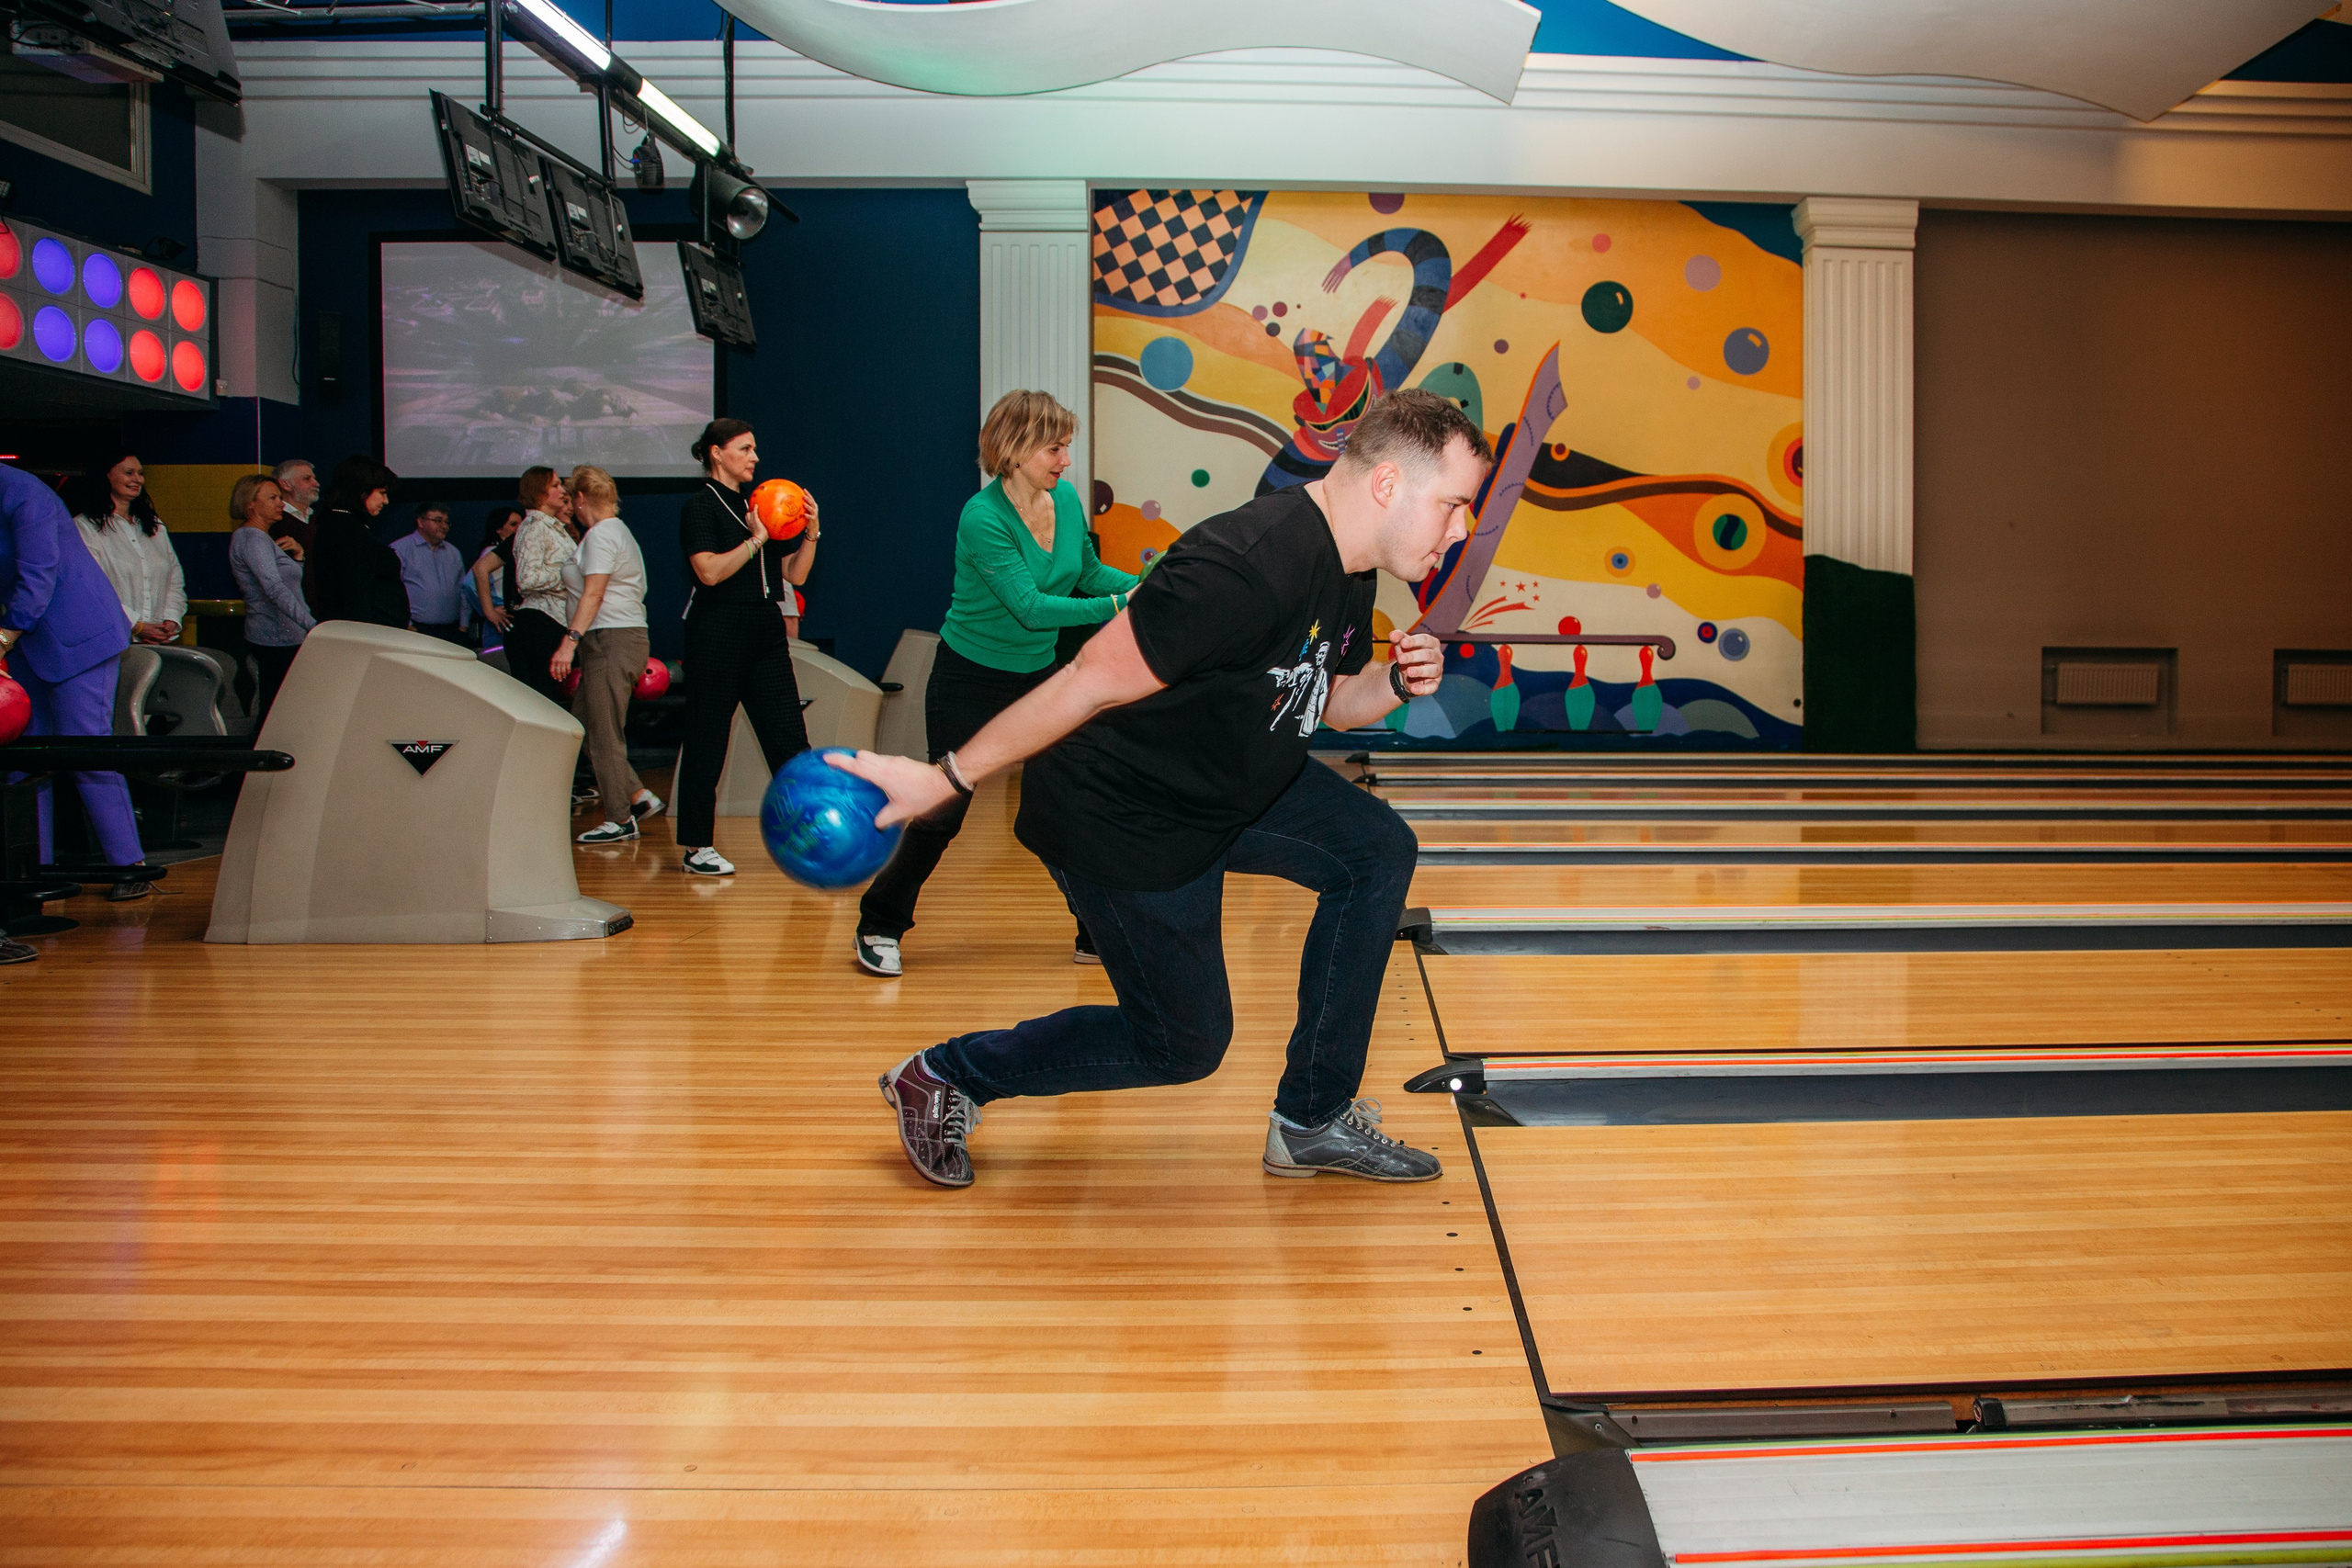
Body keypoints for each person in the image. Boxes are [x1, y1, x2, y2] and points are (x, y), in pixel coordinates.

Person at [834, 389, 1485, 1190]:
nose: (1462, 529)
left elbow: (1323, 698)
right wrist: (944, 775)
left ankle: (1311, 1116)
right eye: (1454, 504)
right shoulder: (1245, 564)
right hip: (1125, 812)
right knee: (1182, 1043)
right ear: (1388, 484)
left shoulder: (1351, 567)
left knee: (1376, 850)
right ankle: (947, 1074)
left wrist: (1391, 681)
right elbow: (1084, 682)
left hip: (1229, 784)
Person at [853, 390, 1136, 979]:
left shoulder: (1065, 499)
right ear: (1014, 448)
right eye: (1054, 447)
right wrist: (1123, 602)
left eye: (1065, 446)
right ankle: (879, 922)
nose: (1065, 459)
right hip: (970, 678)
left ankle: (1093, 931)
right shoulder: (981, 517)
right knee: (943, 807)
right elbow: (1031, 608)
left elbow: (1084, 573)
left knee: (1069, 802)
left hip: (1037, 675)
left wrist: (1147, 581)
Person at [672, 418, 820, 877]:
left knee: (790, 740)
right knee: (707, 741)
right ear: (717, 453)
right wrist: (756, 540)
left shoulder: (757, 505)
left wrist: (812, 531)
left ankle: (807, 837)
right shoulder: (701, 508)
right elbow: (710, 572)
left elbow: (794, 576)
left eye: (755, 449)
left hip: (764, 632)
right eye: (745, 448)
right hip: (716, 633)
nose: (755, 457)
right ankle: (698, 847)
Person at [0, 464, 155, 902]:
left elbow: (39, 572)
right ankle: (33, 871)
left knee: (86, 747)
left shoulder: (23, 493)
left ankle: (131, 867)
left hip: (76, 634)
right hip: (27, 639)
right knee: (25, 757)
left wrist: (4, 636)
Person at [551, 466, 662, 842]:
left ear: (581, 498)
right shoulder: (615, 532)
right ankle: (637, 795)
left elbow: (593, 593)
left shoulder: (601, 534)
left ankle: (620, 819)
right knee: (584, 724)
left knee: (603, 733)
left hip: (611, 639)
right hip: (610, 640)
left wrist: (569, 642)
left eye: (571, 498)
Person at [69, 453, 187, 647]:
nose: (137, 479)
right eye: (129, 473)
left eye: (140, 473)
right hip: (107, 643)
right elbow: (91, 587)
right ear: (106, 476)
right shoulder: (85, 527)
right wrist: (136, 626)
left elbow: (174, 579)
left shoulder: (155, 526)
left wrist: (170, 621)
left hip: (156, 643)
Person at [225, 472, 314, 724]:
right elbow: (274, 588)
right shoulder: (252, 538)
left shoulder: (262, 538)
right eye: (273, 497)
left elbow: (287, 582)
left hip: (286, 635)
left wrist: (298, 557)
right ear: (250, 504)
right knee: (278, 714)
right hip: (276, 638)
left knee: (284, 710)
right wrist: (312, 625)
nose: (280, 503)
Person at [506, 468, 578, 711]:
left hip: (557, 620)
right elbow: (526, 578)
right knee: (546, 701)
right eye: (555, 485)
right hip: (541, 622)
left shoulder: (554, 527)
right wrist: (571, 577)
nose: (562, 489)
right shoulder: (534, 526)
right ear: (538, 491)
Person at [307, 456, 408, 628]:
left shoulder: (338, 524)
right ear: (361, 490)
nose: (386, 501)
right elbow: (355, 599)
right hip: (365, 639)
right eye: (382, 493)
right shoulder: (348, 532)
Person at [391, 502, 469, 645]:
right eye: (438, 521)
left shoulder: (453, 552)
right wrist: (405, 624)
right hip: (416, 630)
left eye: (446, 522)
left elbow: (463, 589)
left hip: (451, 632)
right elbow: (391, 590)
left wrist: (464, 625)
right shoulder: (401, 549)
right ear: (420, 522)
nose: (444, 526)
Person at [467, 505, 523, 664]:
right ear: (498, 529)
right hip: (500, 620)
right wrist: (489, 610)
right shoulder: (493, 551)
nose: (519, 528)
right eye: (513, 524)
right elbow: (468, 584)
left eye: (521, 523)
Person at [269, 457, 322, 603]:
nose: (316, 484)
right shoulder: (276, 523)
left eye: (314, 478)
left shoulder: (319, 520)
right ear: (285, 484)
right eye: (307, 479)